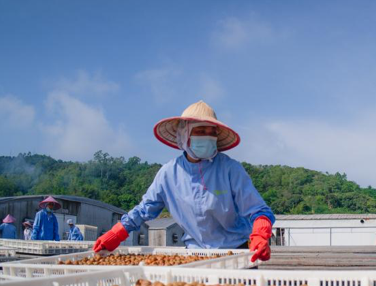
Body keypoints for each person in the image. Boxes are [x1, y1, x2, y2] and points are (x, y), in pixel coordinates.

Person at [94, 101, 274, 261]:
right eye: (201, 130)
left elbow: (259, 210)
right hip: (195, 256)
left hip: (235, 253)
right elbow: (144, 210)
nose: (207, 136)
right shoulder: (168, 174)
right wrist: (116, 233)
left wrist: (260, 235)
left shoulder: (230, 169)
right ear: (185, 134)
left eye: (212, 132)